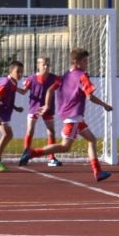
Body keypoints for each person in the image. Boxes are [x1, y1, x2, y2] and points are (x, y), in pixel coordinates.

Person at [30, 48, 114, 181]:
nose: (87, 63)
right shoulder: (82, 75)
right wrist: (104, 105)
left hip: (72, 117)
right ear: (76, 61)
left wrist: (46, 105)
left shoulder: (65, 75)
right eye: (85, 61)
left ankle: (98, 172)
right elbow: (90, 96)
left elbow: (51, 89)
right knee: (65, 147)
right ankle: (34, 152)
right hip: (73, 117)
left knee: (91, 139)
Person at [17, 55, 62, 167]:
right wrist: (13, 87)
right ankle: (26, 154)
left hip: (48, 108)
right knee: (30, 130)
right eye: (44, 64)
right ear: (38, 66)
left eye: (48, 64)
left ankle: (51, 158)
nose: (46, 66)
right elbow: (23, 91)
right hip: (34, 107)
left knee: (51, 131)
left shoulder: (54, 78)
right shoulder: (31, 79)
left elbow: (63, 88)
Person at [0, 60, 26, 171]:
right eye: (18, 71)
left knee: (8, 135)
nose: (20, 74)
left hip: (3, 112)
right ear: (11, 71)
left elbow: (8, 98)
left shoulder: (13, 83)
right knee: (7, 134)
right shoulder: (6, 83)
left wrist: (15, 107)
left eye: (22, 72)